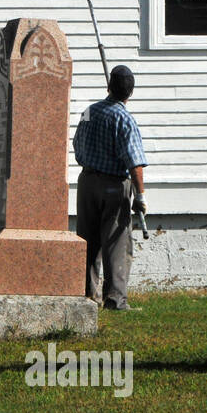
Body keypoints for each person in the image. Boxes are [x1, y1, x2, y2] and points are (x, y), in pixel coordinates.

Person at [73, 65, 148, 311]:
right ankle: (115, 300)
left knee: (88, 240)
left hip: (86, 182)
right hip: (115, 185)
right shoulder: (124, 119)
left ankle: (87, 295)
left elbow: (76, 142)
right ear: (131, 92)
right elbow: (135, 163)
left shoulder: (88, 112)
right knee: (116, 243)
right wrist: (140, 196)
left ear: (109, 87)